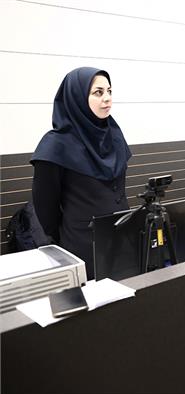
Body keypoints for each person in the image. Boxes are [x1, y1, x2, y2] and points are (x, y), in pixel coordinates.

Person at [31, 67, 131, 279]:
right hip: (83, 247)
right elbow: (46, 212)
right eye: (98, 92)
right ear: (77, 97)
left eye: (109, 91)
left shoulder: (113, 134)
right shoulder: (55, 146)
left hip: (122, 240)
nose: (107, 98)